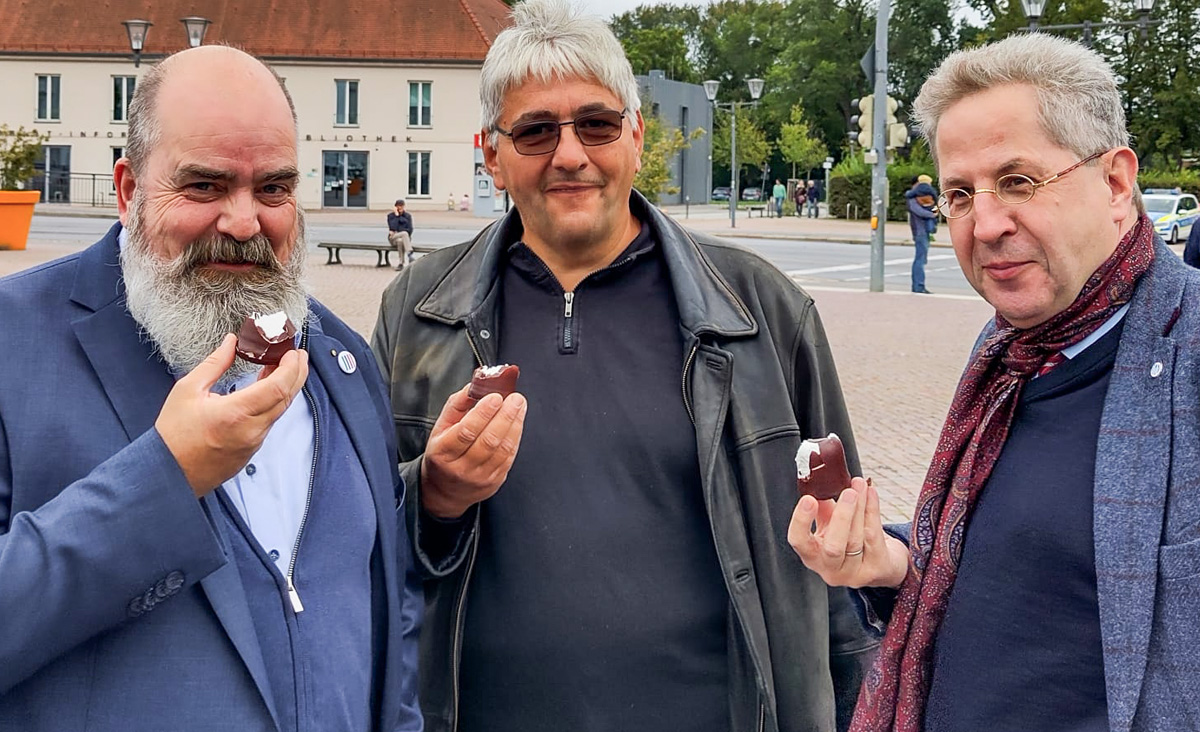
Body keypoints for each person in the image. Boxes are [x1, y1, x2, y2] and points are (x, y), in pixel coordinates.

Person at [371, 1, 879, 731]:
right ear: (492, 155)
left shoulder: (761, 309)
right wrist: (434, 493)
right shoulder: (419, 311)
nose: (570, 154)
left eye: (596, 125)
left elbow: (839, 561)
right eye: (536, 131)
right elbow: (362, 543)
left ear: (636, 137)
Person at [0, 46, 422, 732]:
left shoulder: (344, 362)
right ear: (129, 190)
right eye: (204, 187)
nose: (245, 222)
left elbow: (389, 608)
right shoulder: (13, 345)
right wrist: (163, 479)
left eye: (274, 189)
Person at [790, 33, 1200, 732]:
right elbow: (1019, 573)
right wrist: (887, 561)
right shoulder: (1007, 352)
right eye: (959, 194)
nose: (985, 224)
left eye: (1018, 181)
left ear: (1115, 183)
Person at [905, 176, 938, 294]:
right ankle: (918, 286)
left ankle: (919, 286)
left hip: (922, 231)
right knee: (920, 260)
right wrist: (932, 215)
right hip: (920, 232)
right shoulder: (913, 199)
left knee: (921, 259)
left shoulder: (914, 197)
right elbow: (919, 211)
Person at [388, 198, 415, 271]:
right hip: (393, 238)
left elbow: (410, 229)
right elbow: (392, 227)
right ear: (395, 207)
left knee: (401, 240)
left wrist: (399, 231)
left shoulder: (407, 216)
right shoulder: (391, 216)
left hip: (403, 239)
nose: (400, 208)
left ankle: (401, 263)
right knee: (404, 233)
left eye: (401, 206)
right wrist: (397, 216)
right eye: (398, 206)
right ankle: (409, 253)